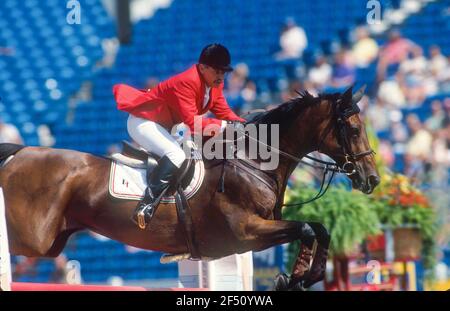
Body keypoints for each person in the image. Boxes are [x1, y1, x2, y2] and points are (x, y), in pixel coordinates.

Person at [113, 43, 245, 229]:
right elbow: (193, 123)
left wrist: (245, 125)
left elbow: (224, 112)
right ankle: (145, 206)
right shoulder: (187, 82)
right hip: (144, 121)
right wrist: (226, 126)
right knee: (177, 155)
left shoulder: (215, 83)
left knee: (195, 156)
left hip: (168, 126)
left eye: (224, 72)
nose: (221, 77)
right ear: (202, 67)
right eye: (217, 71)